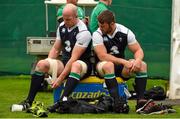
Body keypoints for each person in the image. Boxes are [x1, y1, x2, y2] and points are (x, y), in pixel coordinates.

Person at [17, 4, 92, 112]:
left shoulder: (84, 32)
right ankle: (29, 101)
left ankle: (62, 101)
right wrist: (48, 65)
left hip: (82, 65)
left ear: (76, 17)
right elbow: (56, 49)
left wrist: (59, 78)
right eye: (64, 19)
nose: (65, 22)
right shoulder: (62, 26)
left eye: (68, 19)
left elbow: (74, 58)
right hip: (66, 62)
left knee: (75, 65)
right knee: (41, 64)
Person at [92, 10, 150, 113]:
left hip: (120, 67)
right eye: (99, 26)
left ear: (112, 24)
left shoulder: (125, 31)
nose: (100, 28)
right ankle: (117, 102)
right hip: (102, 66)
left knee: (142, 65)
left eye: (103, 26)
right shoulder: (97, 34)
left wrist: (137, 60)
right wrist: (123, 62)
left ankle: (141, 102)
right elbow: (102, 56)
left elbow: (138, 50)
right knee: (109, 65)